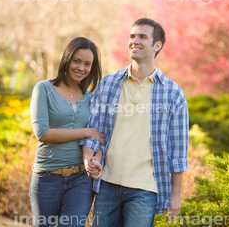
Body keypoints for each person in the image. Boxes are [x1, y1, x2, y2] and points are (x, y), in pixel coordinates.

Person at [81, 18, 189, 227]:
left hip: (145, 188)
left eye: (142, 36)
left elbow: (178, 151)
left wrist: (176, 196)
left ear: (157, 46)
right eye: (132, 36)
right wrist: (89, 159)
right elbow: (94, 129)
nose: (134, 41)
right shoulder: (109, 83)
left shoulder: (172, 92)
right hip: (107, 183)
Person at [29, 37, 103, 227]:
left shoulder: (91, 98)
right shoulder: (44, 89)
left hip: (81, 178)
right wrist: (85, 132)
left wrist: (95, 158)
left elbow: (100, 135)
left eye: (87, 64)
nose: (81, 68)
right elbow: (42, 133)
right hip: (47, 177)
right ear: (67, 59)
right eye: (76, 61)